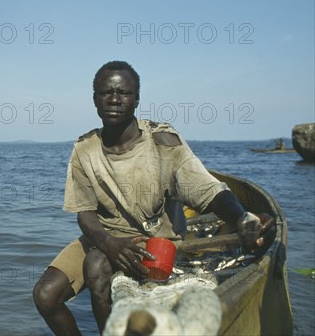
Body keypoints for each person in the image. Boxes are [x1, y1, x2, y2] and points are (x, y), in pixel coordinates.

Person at [32, 61, 274, 335]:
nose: (114, 99)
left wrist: (242, 218)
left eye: (123, 93)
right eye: (105, 93)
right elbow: (85, 214)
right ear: (94, 99)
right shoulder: (85, 149)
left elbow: (209, 192)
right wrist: (109, 243)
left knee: (96, 265)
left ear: (136, 99)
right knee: (45, 295)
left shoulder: (163, 143)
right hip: (104, 236)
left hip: (155, 241)